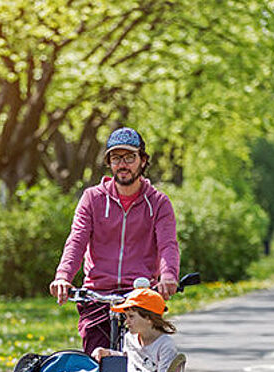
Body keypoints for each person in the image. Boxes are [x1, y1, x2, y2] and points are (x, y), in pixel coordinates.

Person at [49, 126, 180, 356]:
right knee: (95, 362)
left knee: (143, 364)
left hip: (139, 293)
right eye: (116, 158)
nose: (123, 164)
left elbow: (168, 244)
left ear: (142, 160)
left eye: (130, 157)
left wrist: (168, 276)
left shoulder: (158, 202)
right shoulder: (93, 198)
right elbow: (77, 240)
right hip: (97, 293)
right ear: (109, 162)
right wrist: (63, 277)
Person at [90, 287, 178, 372]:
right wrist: (106, 352)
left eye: (131, 317)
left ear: (149, 318)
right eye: (126, 317)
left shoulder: (165, 345)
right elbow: (128, 358)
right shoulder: (130, 338)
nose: (126, 322)